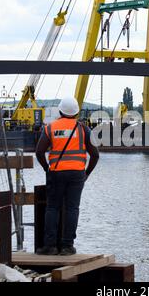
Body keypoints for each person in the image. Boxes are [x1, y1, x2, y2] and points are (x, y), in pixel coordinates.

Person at [35, 96, 99, 255]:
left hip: (56, 173)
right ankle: (67, 246)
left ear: (60, 111)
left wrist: (46, 168)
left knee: (52, 207)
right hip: (77, 174)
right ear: (76, 112)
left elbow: (39, 151)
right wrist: (86, 173)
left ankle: (50, 246)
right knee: (72, 208)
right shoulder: (83, 129)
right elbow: (95, 155)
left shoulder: (51, 128)